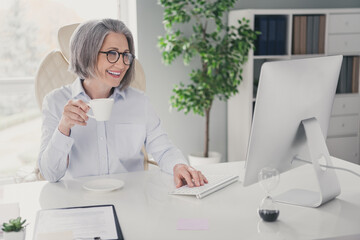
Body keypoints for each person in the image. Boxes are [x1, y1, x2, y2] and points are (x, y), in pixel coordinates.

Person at [38, 18, 208, 188]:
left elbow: (164, 149)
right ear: (87, 53)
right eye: (112, 53)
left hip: (131, 199)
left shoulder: (139, 101)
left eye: (126, 55)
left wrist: (179, 165)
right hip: (79, 203)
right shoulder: (55, 102)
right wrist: (64, 127)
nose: (121, 64)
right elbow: (50, 174)